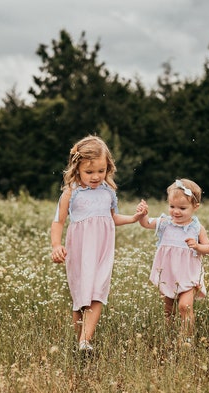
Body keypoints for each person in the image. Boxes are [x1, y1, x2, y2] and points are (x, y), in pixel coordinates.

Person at [50, 135, 145, 353]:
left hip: (103, 251)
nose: (96, 177)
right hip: (79, 252)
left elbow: (112, 218)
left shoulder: (108, 192)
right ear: (77, 169)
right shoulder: (71, 194)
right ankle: (81, 342)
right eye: (89, 172)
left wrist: (133, 218)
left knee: (98, 293)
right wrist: (56, 245)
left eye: (101, 171)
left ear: (108, 168)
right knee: (80, 297)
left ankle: (85, 341)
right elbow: (58, 222)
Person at [137, 178, 209, 340]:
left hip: (189, 275)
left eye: (182, 208)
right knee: (168, 309)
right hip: (168, 274)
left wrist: (198, 247)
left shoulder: (196, 228)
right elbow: (145, 224)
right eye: (172, 206)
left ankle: (186, 339)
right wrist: (143, 214)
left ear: (195, 207)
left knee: (185, 306)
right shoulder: (165, 223)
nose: (176, 211)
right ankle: (169, 334)